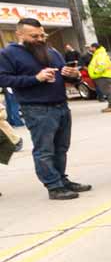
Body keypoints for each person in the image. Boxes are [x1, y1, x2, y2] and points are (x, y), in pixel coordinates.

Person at [0, 17, 91, 199]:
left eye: (42, 34)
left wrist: (73, 75)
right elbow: (4, 79)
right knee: (45, 150)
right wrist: (36, 78)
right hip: (37, 108)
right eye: (34, 36)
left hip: (61, 105)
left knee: (61, 147)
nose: (40, 39)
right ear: (20, 34)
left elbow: (66, 75)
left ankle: (61, 179)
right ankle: (54, 186)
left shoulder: (51, 51)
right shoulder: (9, 53)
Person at [87, 41, 111, 112]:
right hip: (104, 75)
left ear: (94, 48)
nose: (90, 49)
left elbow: (102, 65)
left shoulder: (100, 54)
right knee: (108, 91)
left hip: (103, 76)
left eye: (91, 47)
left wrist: (96, 72)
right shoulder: (98, 54)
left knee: (108, 91)